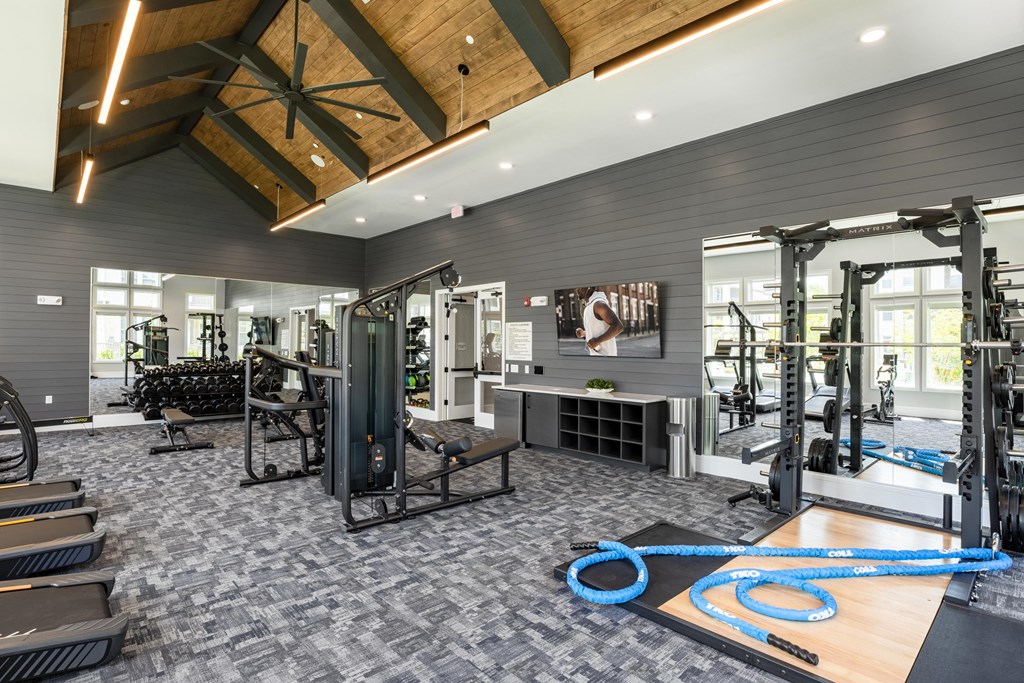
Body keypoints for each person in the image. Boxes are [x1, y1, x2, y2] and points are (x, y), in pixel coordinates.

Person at [574, 287, 624, 356]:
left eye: (579, 287)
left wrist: (597, 341)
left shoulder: (598, 304)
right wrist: (583, 333)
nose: (577, 290)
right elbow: (597, 330)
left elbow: (618, 327)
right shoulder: (588, 307)